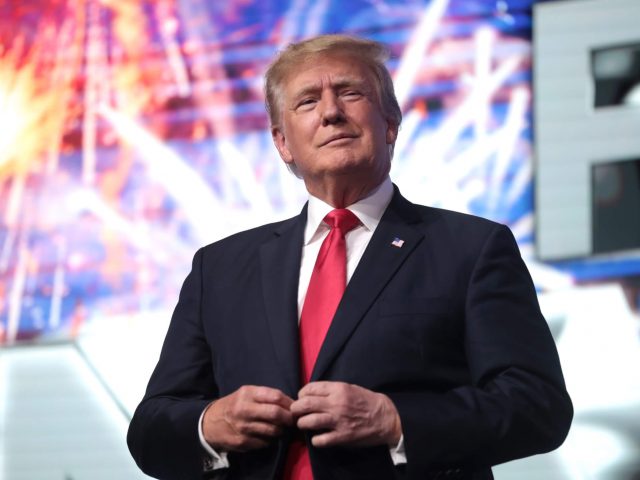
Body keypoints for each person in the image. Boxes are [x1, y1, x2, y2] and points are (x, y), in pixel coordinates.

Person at [127, 34, 572, 480]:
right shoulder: (219, 269)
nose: (331, 112)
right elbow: (150, 431)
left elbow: (538, 406)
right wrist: (211, 424)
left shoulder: (471, 249)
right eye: (306, 102)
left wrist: (395, 420)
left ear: (390, 124)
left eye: (350, 92)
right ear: (283, 143)